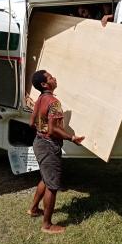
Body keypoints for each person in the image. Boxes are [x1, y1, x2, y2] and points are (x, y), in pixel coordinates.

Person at [28, 70, 85, 234]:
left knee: (46, 178)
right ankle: (47, 225)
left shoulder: (40, 99)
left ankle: (33, 209)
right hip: (48, 145)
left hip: (38, 142)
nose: (55, 78)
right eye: (51, 78)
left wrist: (42, 123)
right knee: (52, 186)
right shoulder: (54, 102)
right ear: (45, 84)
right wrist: (72, 137)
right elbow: (53, 130)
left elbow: (31, 123)